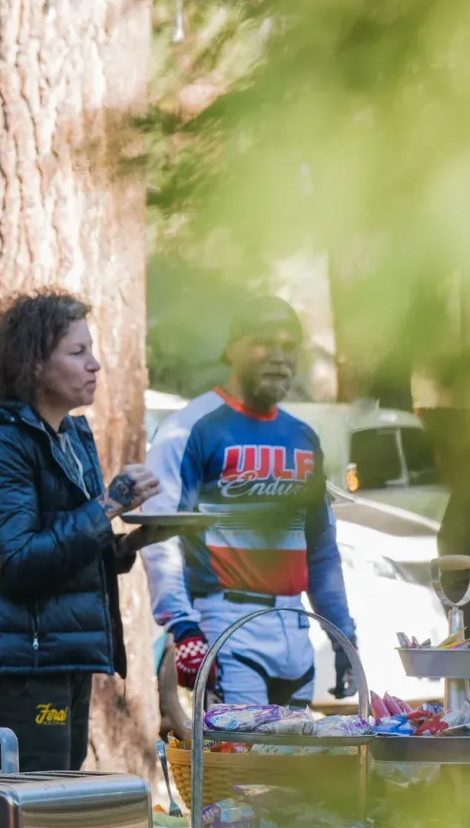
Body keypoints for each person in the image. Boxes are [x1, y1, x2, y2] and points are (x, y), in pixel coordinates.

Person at [0, 291, 161, 772]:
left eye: (91, 351)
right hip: (19, 664)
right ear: (32, 365)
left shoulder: (71, 434)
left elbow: (68, 546)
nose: (94, 365)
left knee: (59, 795)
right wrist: (109, 503)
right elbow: (18, 563)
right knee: (36, 803)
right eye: (77, 353)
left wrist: (128, 543)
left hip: (60, 654)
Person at [142, 295, 357, 708]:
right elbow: (159, 534)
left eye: (289, 346)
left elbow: (321, 548)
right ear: (232, 348)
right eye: (264, 343)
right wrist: (183, 628)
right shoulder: (190, 427)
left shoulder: (302, 436)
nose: (279, 357)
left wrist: (342, 634)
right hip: (225, 622)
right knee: (243, 764)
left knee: (293, 768)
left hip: (295, 626)